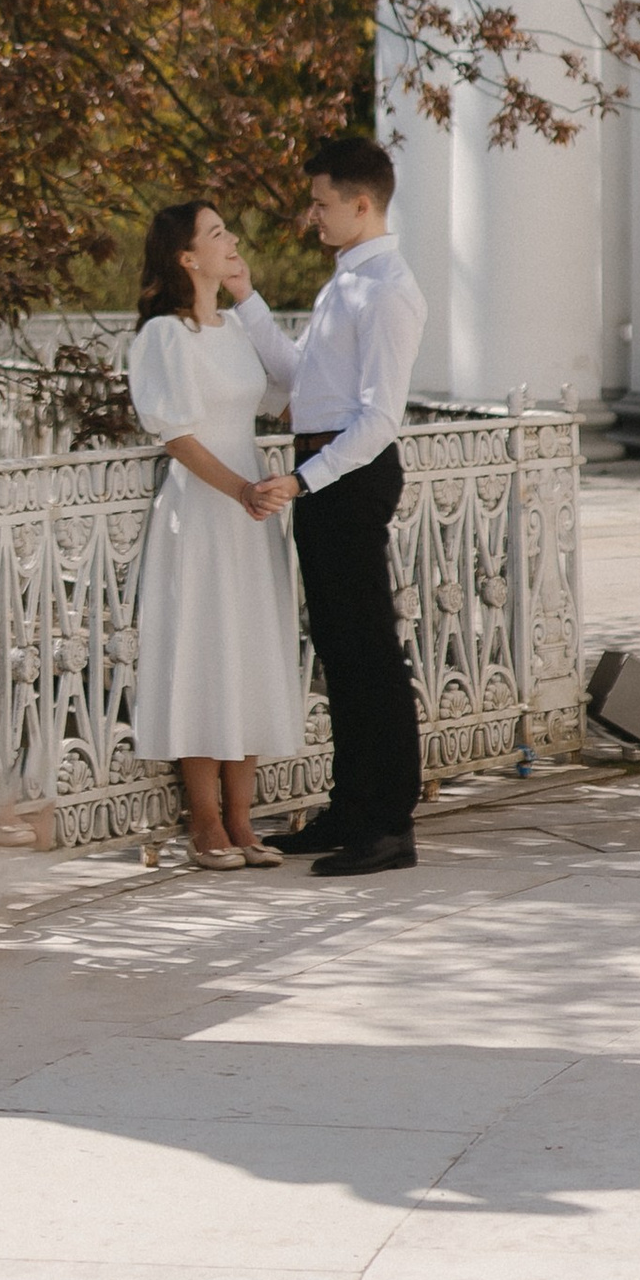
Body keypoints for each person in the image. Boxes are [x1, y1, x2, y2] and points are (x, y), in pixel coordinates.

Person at [238, 133, 426, 879]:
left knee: (370, 652)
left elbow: (381, 418)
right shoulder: (345, 282)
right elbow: (296, 379)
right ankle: (351, 811)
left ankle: (388, 826)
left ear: (360, 203)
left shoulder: (388, 290)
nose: (311, 216)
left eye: (321, 204)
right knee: (341, 652)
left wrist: (305, 479)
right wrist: (246, 297)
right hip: (323, 469)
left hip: (346, 473)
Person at [125, 199, 306, 866]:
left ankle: (242, 814)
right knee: (202, 646)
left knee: (251, 644)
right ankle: (205, 820)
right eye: (216, 234)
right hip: (205, 506)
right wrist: (240, 489)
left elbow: (285, 392)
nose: (231, 240)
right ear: (185, 257)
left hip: (251, 506)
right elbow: (176, 434)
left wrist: (249, 296)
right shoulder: (160, 338)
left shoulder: (234, 329)